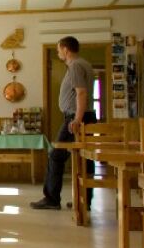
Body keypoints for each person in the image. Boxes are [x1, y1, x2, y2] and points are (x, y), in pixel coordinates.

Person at [32, 36, 97, 210]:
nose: (58, 52)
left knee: (56, 155)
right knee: (85, 158)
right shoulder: (84, 64)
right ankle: (84, 201)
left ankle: (52, 199)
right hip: (85, 116)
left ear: (66, 49)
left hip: (77, 117)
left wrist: (77, 119)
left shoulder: (75, 65)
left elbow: (81, 93)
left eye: (59, 49)